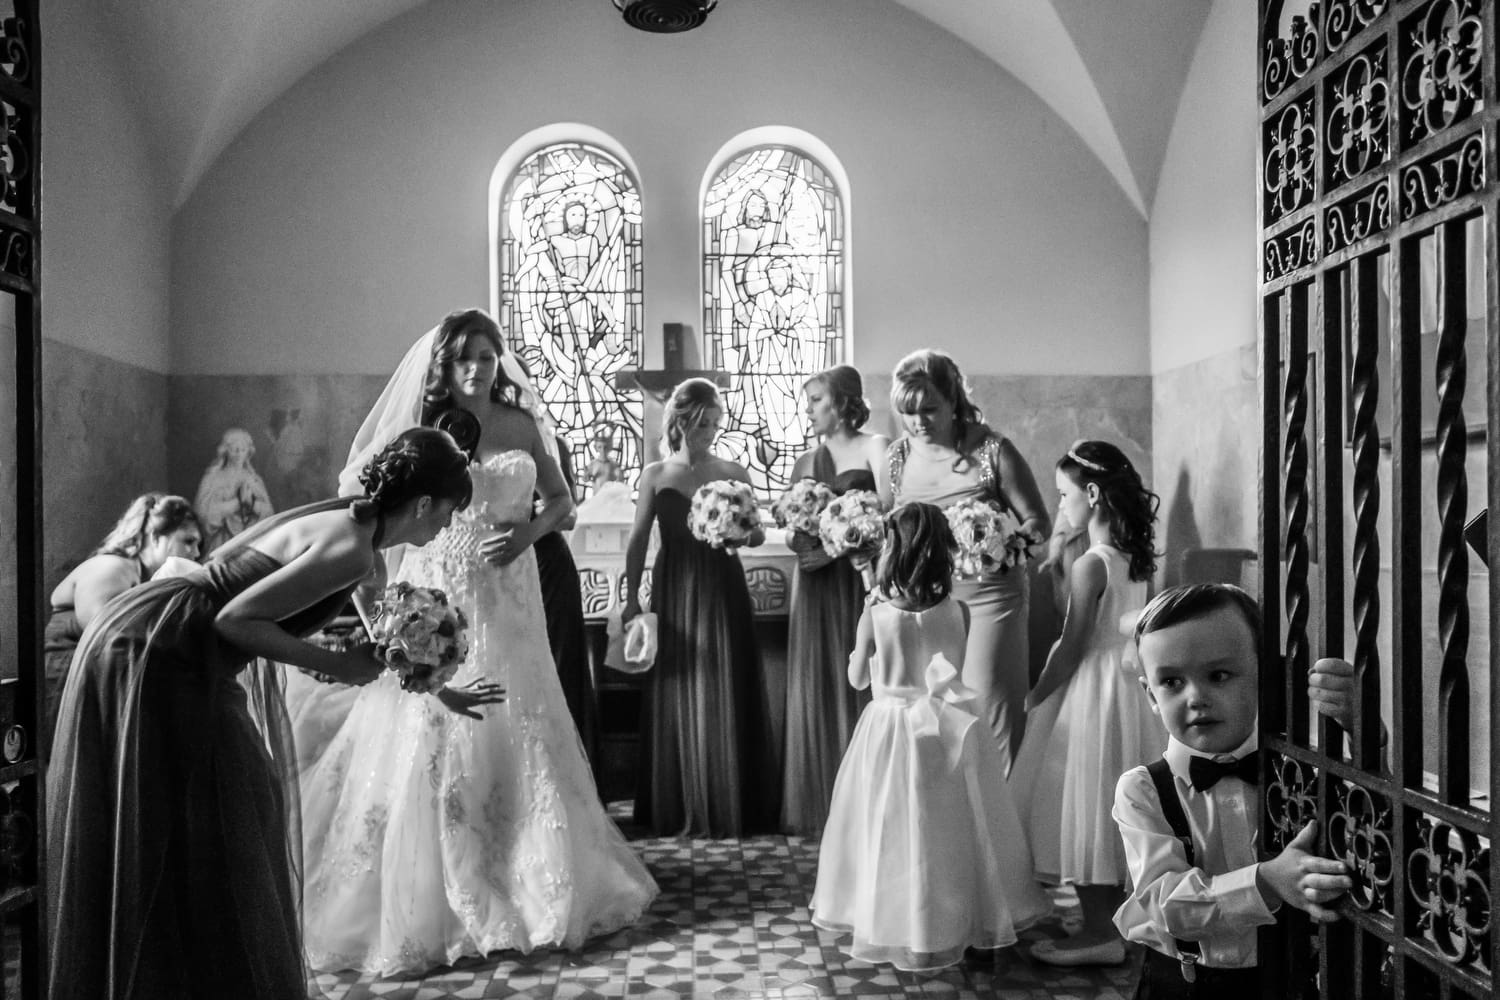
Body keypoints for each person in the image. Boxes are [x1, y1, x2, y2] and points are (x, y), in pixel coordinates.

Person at [47, 427, 500, 1000]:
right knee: (228, 811)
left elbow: (384, 638)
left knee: (219, 814)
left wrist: (438, 685)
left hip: (173, 643)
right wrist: (336, 665)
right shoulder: (351, 547)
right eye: (449, 512)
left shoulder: (356, 531)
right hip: (161, 650)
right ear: (424, 503)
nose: (447, 526)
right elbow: (233, 620)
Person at [298, 308, 656, 976]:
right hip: (441, 579)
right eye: (463, 358)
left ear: (499, 362)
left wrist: (529, 533)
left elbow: (562, 501)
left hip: (512, 591)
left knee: (522, 715)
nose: (476, 369)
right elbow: (363, 495)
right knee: (439, 726)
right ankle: (439, 881)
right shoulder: (423, 427)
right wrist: (391, 607)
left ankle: (532, 871)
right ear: (444, 366)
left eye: (486, 356)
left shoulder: (521, 423)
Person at [810, 502, 1051, 971]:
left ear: (892, 550)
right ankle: (961, 920)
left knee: (893, 828)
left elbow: (857, 679)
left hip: (890, 731)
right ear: (943, 551)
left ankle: (903, 924)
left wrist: (863, 652)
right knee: (954, 828)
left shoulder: (875, 614)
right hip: (947, 727)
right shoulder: (959, 610)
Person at [1113, 584, 1354, 999]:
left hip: (1293, 979)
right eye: (1171, 682)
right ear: (1151, 695)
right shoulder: (1142, 790)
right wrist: (1266, 882)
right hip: (1188, 985)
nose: (1196, 697)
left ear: (1263, 676)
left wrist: (1359, 727)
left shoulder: (1299, 770)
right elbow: (1163, 902)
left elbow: (1372, 821)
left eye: (1219, 675)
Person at [1010, 441, 1162, 966]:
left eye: (1063, 494)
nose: (1060, 506)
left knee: (1085, 802)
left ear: (1092, 494)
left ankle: (1100, 933)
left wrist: (1036, 694)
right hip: (1128, 692)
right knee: (1109, 804)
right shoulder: (1134, 560)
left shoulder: (1091, 565)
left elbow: (1073, 645)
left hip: (1093, 689)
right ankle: (1113, 922)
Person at [875, 348, 1050, 771]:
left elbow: (1038, 522)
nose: (918, 422)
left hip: (991, 596)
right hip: (926, 601)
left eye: (929, 409)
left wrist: (1004, 546)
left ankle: (1002, 803)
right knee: (932, 707)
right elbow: (889, 529)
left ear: (953, 399)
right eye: (907, 413)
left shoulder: (993, 452)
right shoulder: (896, 459)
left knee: (988, 702)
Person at [622, 377, 780, 837]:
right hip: (675, 585)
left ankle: (730, 798)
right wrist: (630, 599)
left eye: (715, 423)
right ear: (681, 421)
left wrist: (737, 529)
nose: (710, 432)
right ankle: (680, 800)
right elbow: (638, 539)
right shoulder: (655, 475)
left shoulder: (734, 471)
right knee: (680, 680)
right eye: (702, 423)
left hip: (721, 583)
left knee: (722, 674)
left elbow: (756, 535)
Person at [779, 366, 888, 836]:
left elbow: (890, 510)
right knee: (817, 677)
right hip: (814, 581)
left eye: (816, 400)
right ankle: (819, 798)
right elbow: (790, 528)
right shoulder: (805, 460)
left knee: (859, 675)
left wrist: (852, 534)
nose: (808, 410)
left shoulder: (875, 447)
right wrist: (802, 536)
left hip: (856, 578)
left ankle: (865, 798)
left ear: (842, 402)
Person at [42, 492, 203, 762]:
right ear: (154, 536)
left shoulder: (142, 579)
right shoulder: (112, 568)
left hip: (100, 682)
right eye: (188, 541)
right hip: (67, 682)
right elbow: (106, 635)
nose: (196, 553)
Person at [195, 427, 275, 550]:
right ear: (226, 451)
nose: (239, 453)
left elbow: (269, 514)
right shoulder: (214, 478)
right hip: (221, 542)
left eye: (243, 449)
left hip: (249, 541)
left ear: (248, 452)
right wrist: (237, 503)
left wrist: (252, 504)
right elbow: (204, 514)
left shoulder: (254, 479)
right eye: (234, 449)